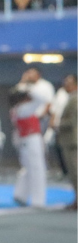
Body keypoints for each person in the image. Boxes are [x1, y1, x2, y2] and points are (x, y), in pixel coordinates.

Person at [12, 68, 54, 208]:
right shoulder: (24, 98)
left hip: (31, 133)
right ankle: (28, 197)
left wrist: (26, 86)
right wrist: (26, 85)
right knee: (31, 166)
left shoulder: (42, 88)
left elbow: (45, 101)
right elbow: (41, 98)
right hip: (25, 134)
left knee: (33, 167)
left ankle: (31, 197)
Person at [59, 74, 77, 209]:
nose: (65, 84)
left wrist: (58, 124)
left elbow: (72, 121)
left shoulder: (74, 99)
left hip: (72, 141)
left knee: (75, 171)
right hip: (70, 140)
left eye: (68, 82)